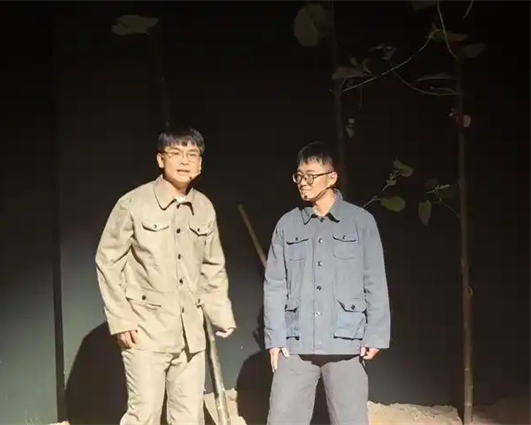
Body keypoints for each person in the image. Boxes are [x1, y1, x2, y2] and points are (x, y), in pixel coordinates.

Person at [95, 127, 236, 425]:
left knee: (189, 415)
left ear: (200, 164)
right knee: (144, 413)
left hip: (190, 334)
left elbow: (212, 264)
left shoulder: (204, 207)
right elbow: (107, 261)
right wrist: (121, 318)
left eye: (192, 155)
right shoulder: (133, 204)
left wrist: (219, 311)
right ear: (161, 160)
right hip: (146, 331)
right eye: (176, 153)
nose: (184, 161)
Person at [263, 141, 391, 425]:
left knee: (350, 420)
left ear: (332, 178)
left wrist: (376, 334)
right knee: (282, 418)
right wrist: (275, 338)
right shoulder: (287, 225)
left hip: (346, 341)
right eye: (299, 175)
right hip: (296, 343)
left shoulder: (361, 222)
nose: (303, 182)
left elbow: (374, 280)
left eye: (311, 175)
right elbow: (274, 285)